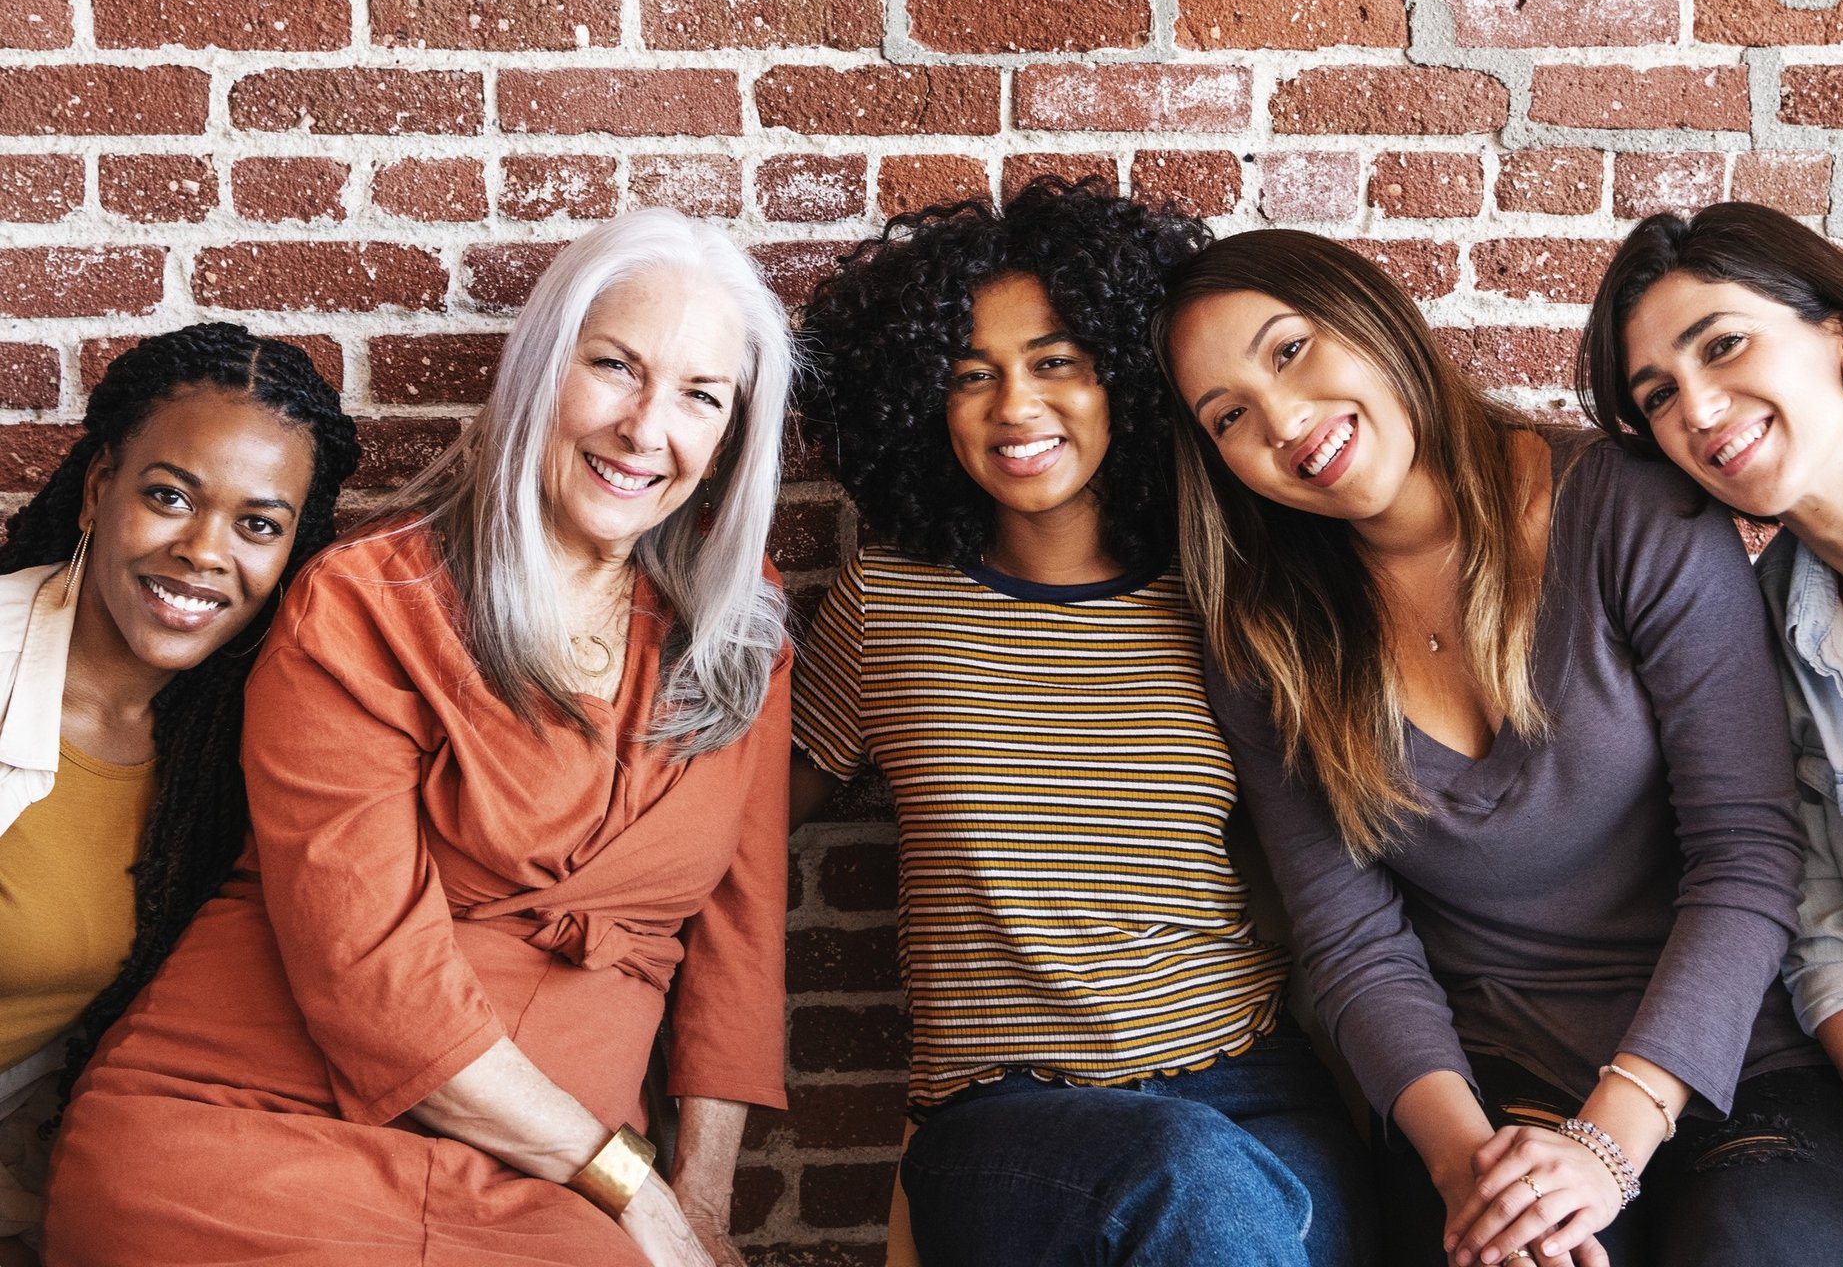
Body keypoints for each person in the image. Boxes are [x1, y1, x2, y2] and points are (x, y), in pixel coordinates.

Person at [43, 209, 795, 1267]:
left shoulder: (741, 624)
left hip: (543, 1189)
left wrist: (698, 1205)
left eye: (699, 395)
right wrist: (628, 1181)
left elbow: (739, 940)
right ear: (540, 371)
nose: (645, 426)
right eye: (615, 367)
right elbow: (371, 978)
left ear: (729, 439)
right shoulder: (366, 604)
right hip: (249, 1143)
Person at [1156, 227, 1843, 1267]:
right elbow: (1349, 940)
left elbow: (1746, 848)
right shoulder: (1265, 641)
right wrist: (1473, 1169)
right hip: (1491, 1098)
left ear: (1375, 321)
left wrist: (1610, 1139)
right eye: (1228, 416)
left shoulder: (1627, 507)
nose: (1281, 421)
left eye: (1289, 351)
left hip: (1745, 1070)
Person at [788, 179, 1377, 1267]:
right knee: (1180, 1170)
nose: (1015, 405)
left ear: (1123, 379)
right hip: (1006, 1119)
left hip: (1251, 1081)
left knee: (1240, 1199)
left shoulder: (1221, 599)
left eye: (1055, 361)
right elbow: (728, 823)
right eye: (972, 375)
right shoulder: (891, 602)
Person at [1581, 201, 1843, 1236]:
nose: (1700, 406)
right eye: (1659, 395)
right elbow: (1831, 956)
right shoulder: (1759, 636)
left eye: (1722, 344)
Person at [0, 324, 359, 1267]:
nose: (204, 551)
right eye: (170, 497)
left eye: (258, 524)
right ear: (94, 492)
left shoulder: (236, 741)